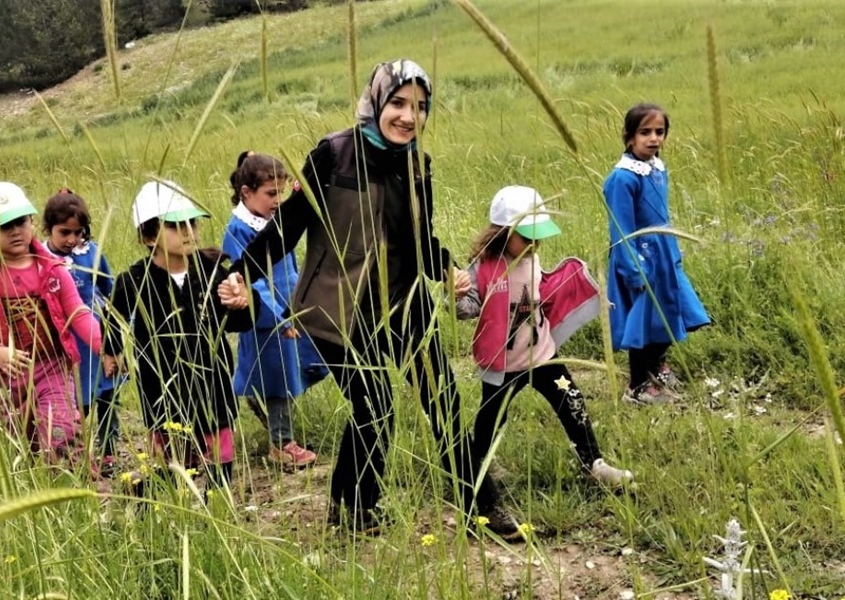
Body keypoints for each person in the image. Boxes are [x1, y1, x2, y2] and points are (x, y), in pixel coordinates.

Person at [232, 59, 473, 535]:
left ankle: (477, 500)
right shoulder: (333, 154)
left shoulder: (418, 164)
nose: (409, 116)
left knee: (443, 398)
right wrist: (241, 272)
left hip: (403, 301)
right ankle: (353, 507)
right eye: (399, 103)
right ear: (378, 100)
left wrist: (446, 269)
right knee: (376, 407)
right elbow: (289, 225)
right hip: (338, 307)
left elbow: (419, 236)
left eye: (420, 107)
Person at [456, 185, 634, 540]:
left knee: (572, 404)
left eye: (537, 237)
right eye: (527, 237)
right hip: (501, 366)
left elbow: (547, 298)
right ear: (504, 233)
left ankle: (593, 463)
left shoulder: (533, 261)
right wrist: (458, 296)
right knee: (491, 422)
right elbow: (467, 310)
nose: (534, 245)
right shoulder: (484, 268)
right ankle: (478, 474)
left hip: (544, 356)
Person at [102, 180, 258, 488]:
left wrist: (242, 303)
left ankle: (217, 505)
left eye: (192, 223)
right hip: (160, 383)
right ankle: (156, 499)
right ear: (149, 236)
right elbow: (113, 316)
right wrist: (112, 351)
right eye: (175, 225)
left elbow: (240, 322)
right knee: (170, 460)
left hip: (212, 377)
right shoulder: (134, 280)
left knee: (219, 448)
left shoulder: (214, 268)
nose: (188, 231)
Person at [0, 181, 102, 466]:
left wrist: (105, 343)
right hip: (3, 375)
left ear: (31, 221)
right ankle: (36, 490)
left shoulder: (51, 267)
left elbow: (77, 311)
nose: (15, 231)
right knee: (20, 440)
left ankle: (77, 488)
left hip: (51, 364)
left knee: (63, 432)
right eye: (4, 225)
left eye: (20, 221)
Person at [222, 151, 327, 470]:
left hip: (291, 311)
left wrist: (301, 301)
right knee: (280, 379)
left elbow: (291, 262)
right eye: (270, 194)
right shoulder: (238, 230)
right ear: (246, 193)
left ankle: (260, 397)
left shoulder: (275, 221)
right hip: (268, 320)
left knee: (310, 364)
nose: (277, 200)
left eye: (281, 193)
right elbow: (248, 281)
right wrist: (278, 317)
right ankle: (281, 444)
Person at [604, 103, 710, 404]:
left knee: (668, 311)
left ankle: (657, 364)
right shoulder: (622, 179)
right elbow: (621, 229)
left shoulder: (657, 168)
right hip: (639, 259)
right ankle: (637, 386)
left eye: (659, 132)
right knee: (644, 322)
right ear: (629, 137)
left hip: (664, 255)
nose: (653, 139)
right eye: (645, 132)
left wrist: (673, 251)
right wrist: (633, 269)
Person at [42, 188, 120, 475]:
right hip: (67, 343)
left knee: (108, 396)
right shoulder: (42, 260)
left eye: (78, 232)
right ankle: (80, 454)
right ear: (48, 228)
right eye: (64, 232)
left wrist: (115, 339)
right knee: (76, 400)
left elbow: (110, 293)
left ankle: (110, 452)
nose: (72, 239)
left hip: (98, 336)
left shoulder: (92, 253)